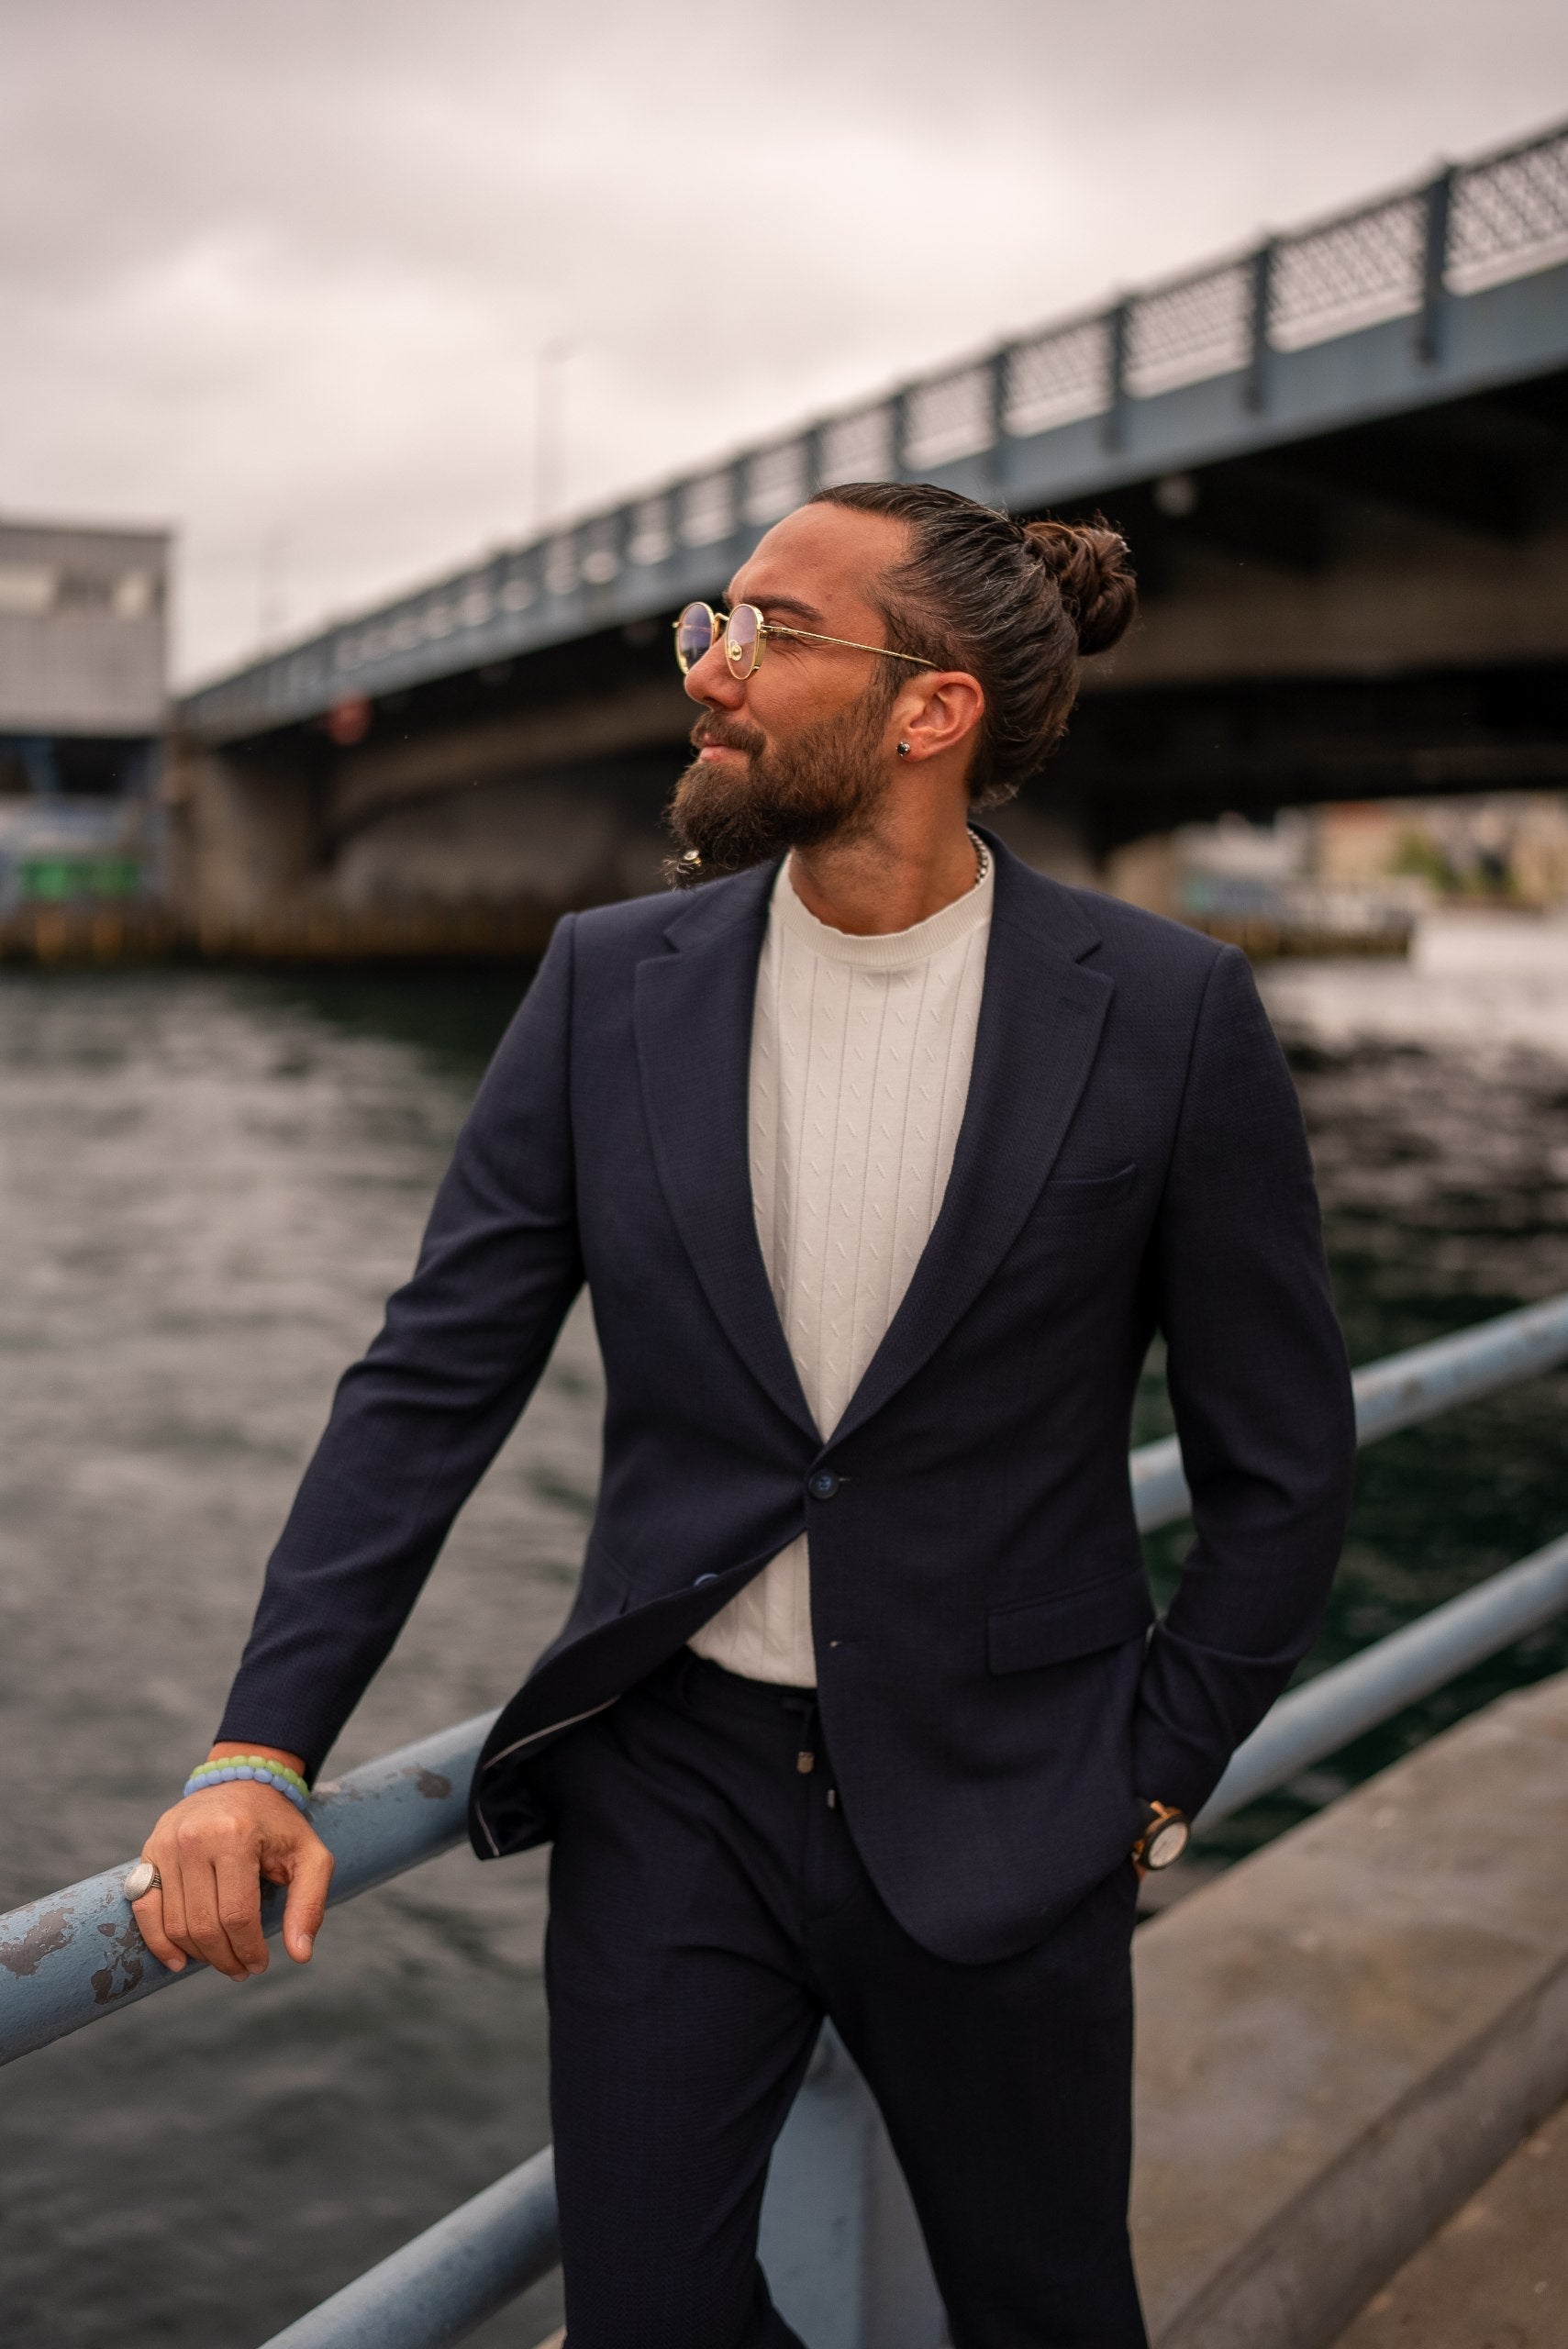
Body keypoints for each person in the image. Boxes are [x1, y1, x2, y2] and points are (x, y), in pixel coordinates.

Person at [129, 480, 1355, 2347]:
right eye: (713, 618)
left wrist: (1154, 1772)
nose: (708, 667)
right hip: (670, 1787)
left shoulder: (1172, 1012)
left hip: (1020, 1798)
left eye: (766, 629)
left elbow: (1284, 1464)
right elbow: (430, 1380)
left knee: (1046, 2311)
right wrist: (258, 1744)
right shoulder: (603, 983)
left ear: (931, 709)